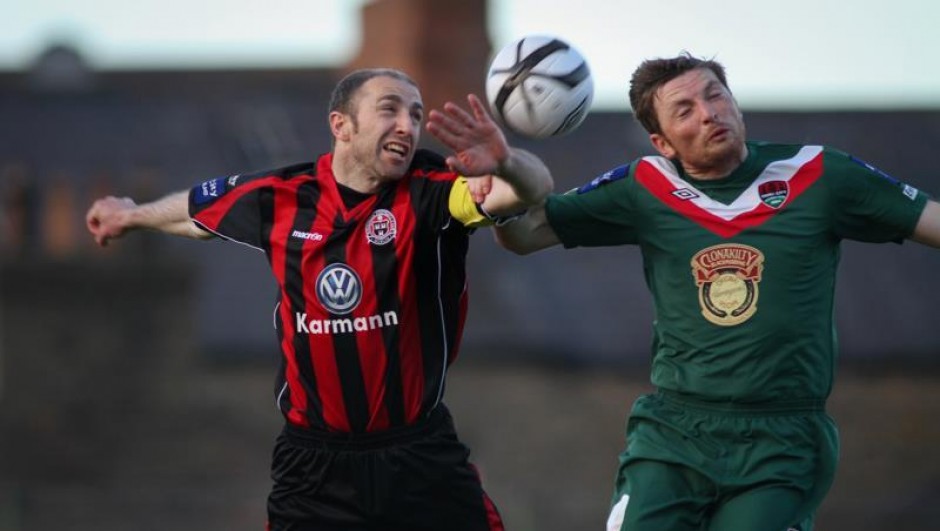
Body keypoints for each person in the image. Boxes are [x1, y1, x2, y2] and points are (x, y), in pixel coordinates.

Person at [435, 53, 940, 531]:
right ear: (662, 143)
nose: (709, 113)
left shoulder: (820, 174)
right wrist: (502, 173)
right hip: (675, 435)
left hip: (783, 441)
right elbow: (525, 236)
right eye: (685, 110)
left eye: (715, 95)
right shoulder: (644, 185)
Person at [85, 68, 554, 531]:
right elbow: (196, 214)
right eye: (389, 110)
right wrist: (131, 215)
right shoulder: (281, 197)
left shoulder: (432, 189)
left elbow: (529, 191)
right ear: (341, 125)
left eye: (415, 115)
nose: (406, 126)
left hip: (419, 458)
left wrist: (505, 161)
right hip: (314, 471)